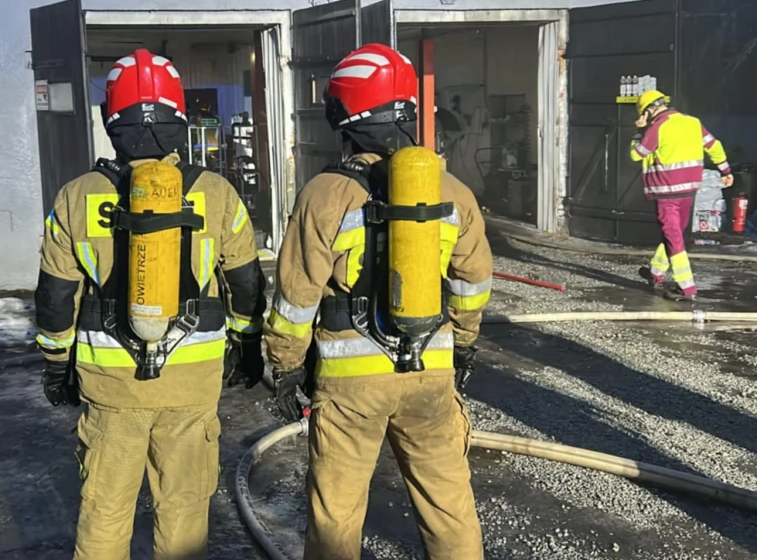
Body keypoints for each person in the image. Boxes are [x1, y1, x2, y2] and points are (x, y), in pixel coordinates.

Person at [33, 49, 267, 560]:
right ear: (179, 120)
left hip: (111, 387)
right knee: (182, 515)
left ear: (109, 122)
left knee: (104, 512)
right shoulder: (217, 193)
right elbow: (246, 284)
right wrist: (248, 348)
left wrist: (56, 365)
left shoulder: (76, 196)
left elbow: (55, 296)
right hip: (192, 384)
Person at [265, 43, 490, 560]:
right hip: (431, 369)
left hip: (350, 384)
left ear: (343, 116)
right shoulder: (454, 191)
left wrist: (286, 366)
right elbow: (472, 282)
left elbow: (297, 295)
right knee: (449, 506)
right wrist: (464, 346)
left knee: (336, 515)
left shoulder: (324, 194)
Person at [631, 90, 732, 300]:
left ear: (649, 110)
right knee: (674, 233)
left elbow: (636, 154)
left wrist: (638, 132)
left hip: (666, 192)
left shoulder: (657, 127)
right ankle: (655, 273)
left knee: (673, 236)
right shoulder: (693, 122)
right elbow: (714, 145)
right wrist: (726, 170)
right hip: (689, 190)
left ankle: (687, 287)